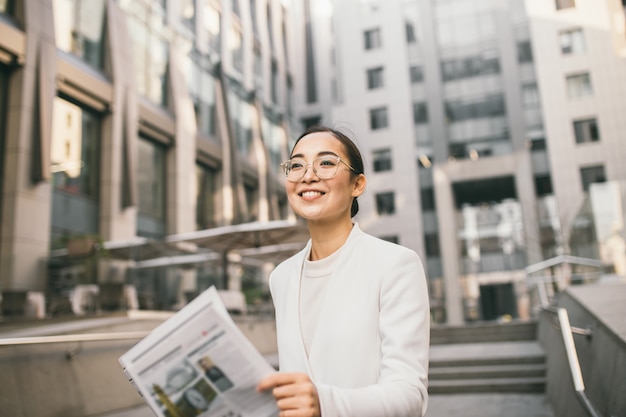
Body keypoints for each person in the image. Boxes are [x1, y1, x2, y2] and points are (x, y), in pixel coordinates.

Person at [257, 126, 430, 417]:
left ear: (357, 184)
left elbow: (409, 394)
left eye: (326, 163)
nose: (308, 175)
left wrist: (325, 404)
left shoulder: (395, 264)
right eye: (296, 165)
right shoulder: (281, 277)